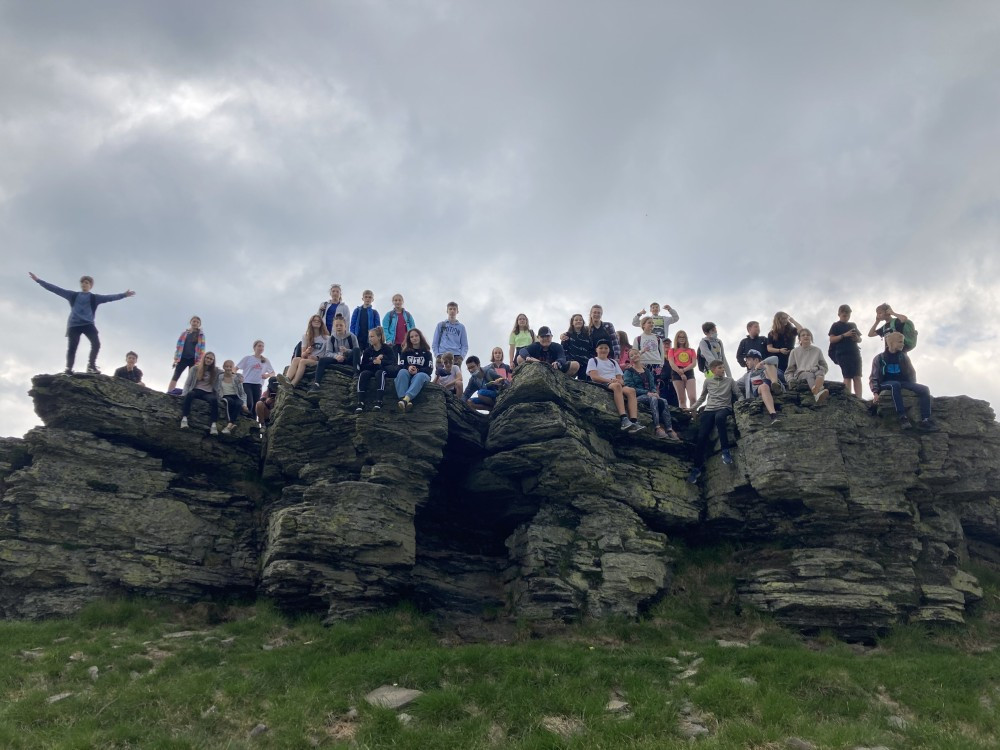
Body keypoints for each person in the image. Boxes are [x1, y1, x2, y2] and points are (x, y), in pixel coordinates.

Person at [29, 272, 136, 375]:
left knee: (96, 344)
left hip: (88, 324)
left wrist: (124, 295)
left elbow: (110, 297)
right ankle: (68, 368)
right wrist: (38, 280)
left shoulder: (94, 298)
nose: (84, 284)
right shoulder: (73, 295)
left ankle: (91, 366)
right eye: (83, 283)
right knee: (72, 347)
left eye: (87, 283)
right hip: (74, 325)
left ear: (90, 286)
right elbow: (55, 289)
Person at [869, 332, 939, 431]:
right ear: (892, 342)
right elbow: (874, 376)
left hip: (903, 382)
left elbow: (911, 372)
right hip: (885, 382)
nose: (903, 344)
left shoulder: (904, 357)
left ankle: (925, 420)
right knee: (895, 385)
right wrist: (875, 392)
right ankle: (902, 417)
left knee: (924, 389)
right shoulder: (879, 358)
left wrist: (913, 387)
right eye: (900, 342)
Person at [688, 360, 742, 483]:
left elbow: (738, 394)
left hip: (724, 408)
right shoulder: (708, 381)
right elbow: (702, 398)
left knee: (720, 418)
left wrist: (742, 404)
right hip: (709, 410)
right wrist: (692, 408)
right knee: (701, 436)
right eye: (720, 368)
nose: (723, 370)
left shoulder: (730, 381)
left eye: (723, 367)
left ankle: (725, 451)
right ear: (713, 370)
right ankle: (696, 468)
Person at [586, 339, 643, 432]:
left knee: (631, 391)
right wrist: (611, 380)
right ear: (596, 350)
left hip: (614, 382)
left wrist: (619, 381)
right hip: (603, 382)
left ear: (609, 350)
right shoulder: (593, 360)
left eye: (606, 348)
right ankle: (623, 418)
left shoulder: (613, 362)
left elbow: (620, 378)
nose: (603, 350)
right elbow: (594, 377)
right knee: (617, 386)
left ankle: (634, 421)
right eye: (601, 348)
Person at [624, 349, 679, 440]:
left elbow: (652, 385)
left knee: (663, 400)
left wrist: (654, 392)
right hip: (637, 397)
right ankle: (657, 427)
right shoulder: (628, 372)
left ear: (639, 354)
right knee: (653, 399)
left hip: (650, 394)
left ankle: (669, 429)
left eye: (636, 353)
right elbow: (630, 387)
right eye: (632, 355)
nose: (635, 356)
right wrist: (647, 393)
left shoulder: (647, 371)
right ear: (630, 359)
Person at [311, 315, 361, 389]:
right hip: (337, 359)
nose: (339, 327)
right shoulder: (331, 338)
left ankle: (356, 374)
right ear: (333, 327)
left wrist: (347, 351)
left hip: (348, 359)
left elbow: (357, 352)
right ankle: (317, 383)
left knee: (356, 349)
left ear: (345, 326)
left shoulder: (352, 336)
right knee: (322, 360)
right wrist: (336, 356)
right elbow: (328, 353)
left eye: (341, 325)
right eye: (336, 325)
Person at [356, 327, 398, 412]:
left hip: (383, 370)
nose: (370, 339)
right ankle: (360, 402)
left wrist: (381, 362)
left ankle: (379, 401)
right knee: (363, 374)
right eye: (369, 337)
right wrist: (374, 361)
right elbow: (363, 365)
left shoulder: (387, 349)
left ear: (379, 337)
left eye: (372, 336)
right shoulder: (368, 351)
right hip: (371, 370)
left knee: (380, 373)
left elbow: (393, 362)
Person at [735, 350, 782, 425]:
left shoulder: (766, 365)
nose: (746, 362)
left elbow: (775, 358)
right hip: (760, 390)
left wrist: (762, 363)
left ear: (756, 360)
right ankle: (773, 415)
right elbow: (735, 384)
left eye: (748, 360)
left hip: (771, 384)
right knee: (764, 386)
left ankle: (775, 384)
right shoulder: (747, 375)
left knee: (768, 365)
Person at [180, 351, 222, 435]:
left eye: (211, 359)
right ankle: (184, 419)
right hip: (196, 390)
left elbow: (227, 372)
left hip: (208, 392)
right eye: (207, 358)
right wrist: (184, 393)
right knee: (190, 395)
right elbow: (188, 383)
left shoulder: (216, 371)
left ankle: (213, 425)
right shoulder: (195, 369)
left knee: (214, 400)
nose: (209, 360)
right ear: (204, 358)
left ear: (213, 361)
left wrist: (238, 376)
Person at [785, 329, 830, 404]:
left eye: (808, 335)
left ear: (811, 337)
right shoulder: (794, 351)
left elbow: (824, 366)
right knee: (808, 374)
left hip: (816, 371)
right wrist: (790, 380)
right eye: (803, 335)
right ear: (799, 339)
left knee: (820, 371)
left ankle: (817, 389)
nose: (806, 336)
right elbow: (789, 370)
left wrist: (818, 368)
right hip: (801, 374)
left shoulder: (817, 350)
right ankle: (817, 393)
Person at [828, 305, 863, 397]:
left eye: (848, 315)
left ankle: (859, 398)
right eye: (844, 315)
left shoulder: (852, 325)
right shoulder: (835, 325)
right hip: (842, 354)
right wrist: (845, 335)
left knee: (857, 376)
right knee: (847, 376)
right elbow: (832, 339)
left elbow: (860, 340)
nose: (846, 317)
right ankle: (848, 398)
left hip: (855, 353)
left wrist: (856, 338)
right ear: (839, 314)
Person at [395, 328, 434, 411]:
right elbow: (401, 365)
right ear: (409, 339)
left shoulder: (427, 353)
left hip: (422, 376)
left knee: (420, 376)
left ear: (420, 337)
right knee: (402, 372)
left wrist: (418, 370)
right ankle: (404, 400)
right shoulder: (405, 352)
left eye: (416, 336)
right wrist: (408, 367)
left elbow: (429, 369)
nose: (414, 338)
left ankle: (406, 399)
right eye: (412, 337)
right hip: (408, 374)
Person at [287, 315, 330, 387]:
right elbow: (302, 355)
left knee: (303, 361)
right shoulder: (305, 336)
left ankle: (293, 384)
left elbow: (328, 353)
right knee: (295, 359)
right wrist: (307, 351)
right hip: (307, 358)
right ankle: (287, 379)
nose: (317, 322)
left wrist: (317, 357)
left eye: (319, 321)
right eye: (314, 320)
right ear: (311, 323)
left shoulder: (327, 338)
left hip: (318, 361)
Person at [168, 316, 206, 393]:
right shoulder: (184, 334)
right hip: (183, 358)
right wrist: (176, 358)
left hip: (194, 360)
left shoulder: (201, 335)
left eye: (197, 322)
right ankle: (169, 391)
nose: (195, 323)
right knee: (176, 375)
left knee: (191, 378)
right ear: (190, 322)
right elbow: (178, 346)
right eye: (194, 321)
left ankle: (187, 393)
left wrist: (199, 361)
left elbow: (202, 349)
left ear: (199, 324)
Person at [236, 340, 276, 411]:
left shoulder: (265, 361)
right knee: (249, 403)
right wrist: (236, 377)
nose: (261, 348)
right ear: (254, 348)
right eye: (259, 346)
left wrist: (267, 375)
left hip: (258, 384)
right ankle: (246, 416)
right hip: (246, 383)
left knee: (256, 406)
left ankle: (253, 418)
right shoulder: (248, 358)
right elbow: (235, 368)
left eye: (262, 346)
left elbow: (273, 373)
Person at [666, 330, 697, 409]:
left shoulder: (691, 350)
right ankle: (684, 415)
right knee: (682, 399)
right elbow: (672, 363)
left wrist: (684, 370)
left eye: (683, 337)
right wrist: (680, 373)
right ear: (677, 338)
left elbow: (694, 363)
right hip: (676, 372)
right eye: (680, 337)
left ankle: (694, 415)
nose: (682, 339)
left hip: (688, 371)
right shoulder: (672, 350)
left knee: (693, 397)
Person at [432, 302, 469, 367]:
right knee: (441, 373)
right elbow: (435, 342)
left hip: (456, 356)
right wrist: (437, 355)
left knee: (455, 373)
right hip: (442, 354)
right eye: (450, 309)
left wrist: (461, 357)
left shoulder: (461, 327)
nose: (452, 311)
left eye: (454, 309)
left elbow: (464, 345)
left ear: (457, 311)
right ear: (447, 311)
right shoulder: (441, 325)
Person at [219, 359, 248, 434]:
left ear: (233, 368)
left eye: (230, 367)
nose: (228, 368)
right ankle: (230, 424)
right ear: (223, 367)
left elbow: (242, 393)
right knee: (230, 401)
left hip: (236, 396)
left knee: (239, 403)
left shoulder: (237, 378)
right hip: (225, 396)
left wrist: (244, 404)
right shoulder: (220, 377)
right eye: (226, 366)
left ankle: (230, 425)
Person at [560, 314, 591, 380]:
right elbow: (563, 350)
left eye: (580, 320)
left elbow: (591, 349)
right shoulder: (567, 335)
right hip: (572, 362)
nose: (578, 321)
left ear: (583, 322)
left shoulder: (588, 335)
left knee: (584, 382)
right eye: (576, 320)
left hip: (585, 363)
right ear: (572, 323)